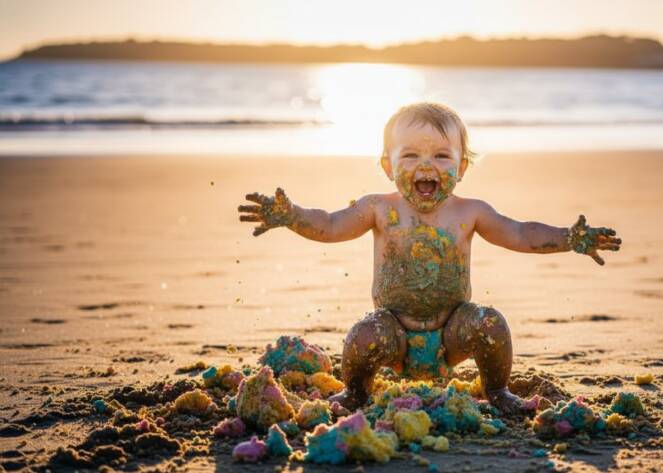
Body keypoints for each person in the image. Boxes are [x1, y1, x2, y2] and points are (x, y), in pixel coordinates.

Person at [237, 102, 621, 414]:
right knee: (363, 335)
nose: (426, 166)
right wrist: (292, 216)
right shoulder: (377, 209)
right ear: (388, 167)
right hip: (395, 336)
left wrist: (570, 238)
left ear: (461, 167)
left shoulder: (469, 212)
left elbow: (520, 232)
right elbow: (330, 225)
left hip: (453, 332)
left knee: (491, 323)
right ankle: (355, 392)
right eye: (410, 155)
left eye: (441, 155)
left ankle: (498, 391)